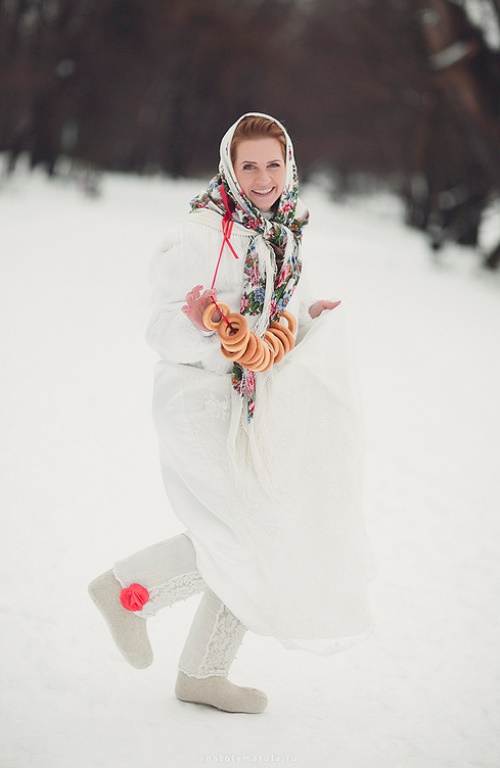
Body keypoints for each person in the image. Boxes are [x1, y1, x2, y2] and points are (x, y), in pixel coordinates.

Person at [88, 112, 374, 715]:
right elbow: (159, 327)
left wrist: (308, 317)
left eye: (274, 164)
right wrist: (203, 329)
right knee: (244, 536)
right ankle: (129, 593)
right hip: (198, 400)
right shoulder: (198, 236)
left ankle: (201, 670)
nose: (263, 178)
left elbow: (276, 318)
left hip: (250, 404)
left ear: (289, 166)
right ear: (229, 168)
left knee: (257, 535)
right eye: (250, 166)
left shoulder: (282, 231)